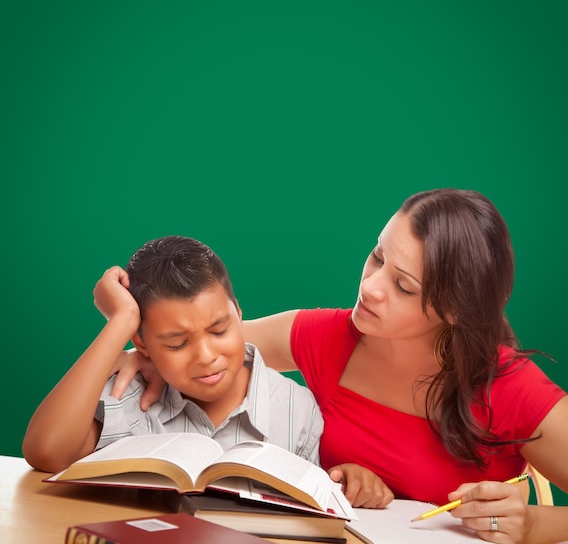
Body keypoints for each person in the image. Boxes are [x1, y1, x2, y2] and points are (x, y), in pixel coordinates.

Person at [111, 189, 568, 543]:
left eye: (402, 286)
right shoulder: (327, 337)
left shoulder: (510, 387)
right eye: (377, 256)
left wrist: (531, 526)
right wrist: (142, 347)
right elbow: (206, 343)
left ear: (454, 310)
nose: (370, 287)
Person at [22, 235, 387, 508]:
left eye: (219, 330)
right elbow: (46, 451)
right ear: (143, 344)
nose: (206, 356)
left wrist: (349, 481)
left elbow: (315, 503)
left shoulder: (296, 407)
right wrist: (119, 322)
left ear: (239, 313)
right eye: (177, 344)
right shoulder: (132, 396)